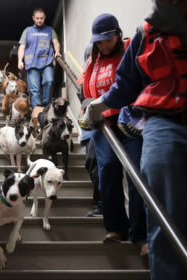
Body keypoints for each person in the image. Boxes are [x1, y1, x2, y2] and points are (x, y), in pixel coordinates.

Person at [84, 1, 187, 279]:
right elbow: (125, 84)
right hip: (164, 125)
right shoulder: (145, 33)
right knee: (167, 220)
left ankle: (137, 234)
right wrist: (99, 104)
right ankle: (128, 233)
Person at [82, 14, 148, 255]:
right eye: (99, 42)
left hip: (130, 123)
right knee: (107, 171)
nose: (104, 45)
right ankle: (116, 228)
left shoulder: (130, 48)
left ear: (117, 33)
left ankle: (141, 236)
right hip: (103, 126)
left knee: (136, 174)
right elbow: (86, 90)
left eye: (107, 39)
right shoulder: (93, 60)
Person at [18, 7, 61, 110]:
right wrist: (20, 60)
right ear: (33, 18)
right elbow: (22, 47)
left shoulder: (50, 30)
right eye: (37, 18)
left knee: (49, 81)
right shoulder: (27, 31)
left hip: (47, 62)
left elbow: (56, 42)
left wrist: (57, 52)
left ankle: (46, 107)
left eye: (41, 18)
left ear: (45, 17)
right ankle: (37, 111)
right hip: (31, 63)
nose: (39, 20)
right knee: (34, 90)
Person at [77, 43, 102, 217]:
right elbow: (85, 100)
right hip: (91, 126)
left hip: (108, 123)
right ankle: (100, 204)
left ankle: (103, 204)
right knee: (91, 161)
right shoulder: (84, 78)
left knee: (101, 164)